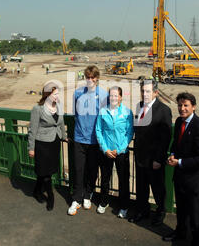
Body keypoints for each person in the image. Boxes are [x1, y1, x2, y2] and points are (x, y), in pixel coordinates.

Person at [163, 92, 199, 246]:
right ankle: (180, 233)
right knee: (181, 209)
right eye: (180, 105)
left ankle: (197, 244)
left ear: (194, 107)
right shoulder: (179, 122)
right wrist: (172, 155)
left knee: (195, 213)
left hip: (193, 179)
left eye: (186, 105)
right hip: (179, 176)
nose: (182, 108)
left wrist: (181, 162)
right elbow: (175, 144)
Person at [129, 79, 172, 226]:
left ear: (155, 92)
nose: (144, 94)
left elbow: (165, 137)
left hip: (154, 159)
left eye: (148, 91)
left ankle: (161, 212)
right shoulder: (139, 106)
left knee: (158, 188)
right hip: (140, 156)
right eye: (142, 91)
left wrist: (159, 159)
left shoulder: (164, 110)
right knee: (141, 187)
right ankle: (143, 210)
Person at [68, 65, 108, 216]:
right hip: (79, 138)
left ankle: (88, 194)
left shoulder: (104, 95)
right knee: (78, 170)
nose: (90, 80)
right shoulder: (77, 93)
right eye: (88, 77)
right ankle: (76, 198)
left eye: (93, 77)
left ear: (97, 78)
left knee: (92, 170)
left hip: (95, 141)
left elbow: (104, 118)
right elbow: (75, 114)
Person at [28, 82, 67, 211]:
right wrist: (31, 148)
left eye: (57, 94)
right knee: (46, 173)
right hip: (42, 144)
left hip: (54, 142)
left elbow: (61, 123)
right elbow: (32, 129)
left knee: (46, 171)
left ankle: (36, 191)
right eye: (55, 94)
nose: (57, 96)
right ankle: (50, 196)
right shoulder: (37, 109)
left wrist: (64, 136)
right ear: (47, 95)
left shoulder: (59, 106)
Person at [95, 86, 134, 218]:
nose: (113, 98)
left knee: (123, 180)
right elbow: (98, 130)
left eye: (116, 95)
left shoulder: (127, 113)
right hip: (106, 152)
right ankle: (104, 202)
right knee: (105, 178)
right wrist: (105, 149)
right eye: (111, 95)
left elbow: (129, 133)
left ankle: (124, 206)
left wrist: (120, 149)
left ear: (121, 97)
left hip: (121, 153)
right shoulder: (103, 111)